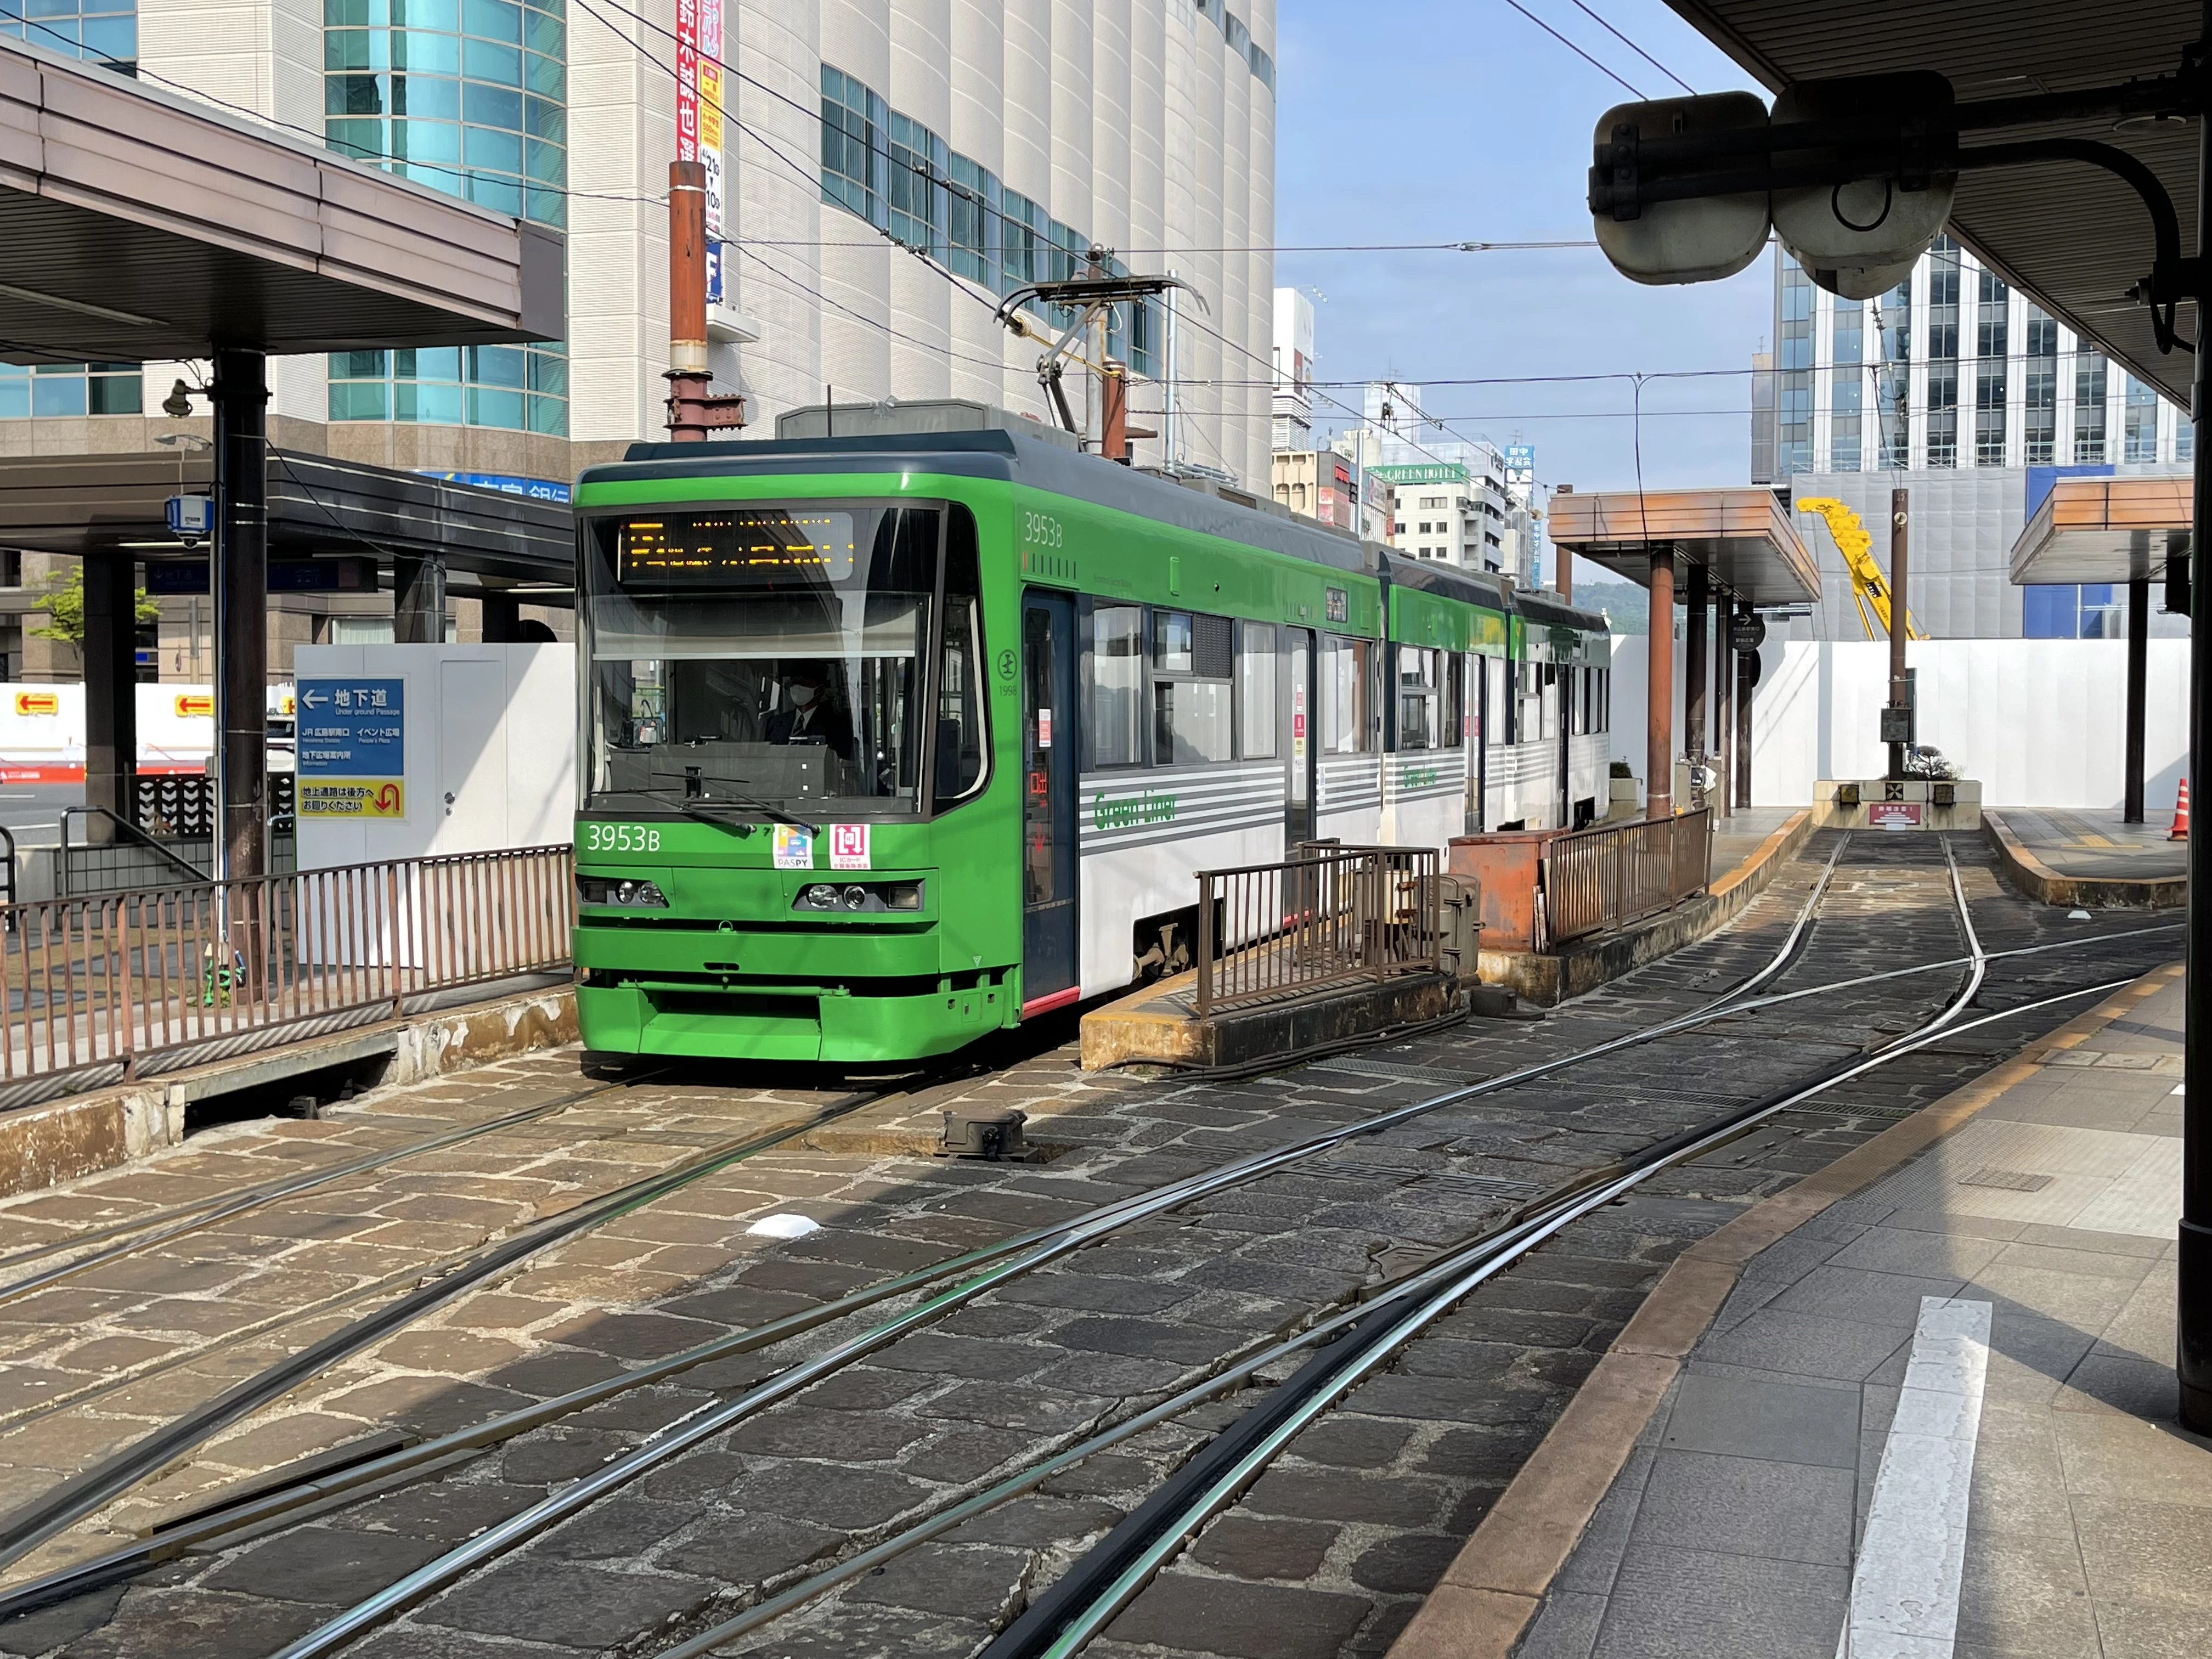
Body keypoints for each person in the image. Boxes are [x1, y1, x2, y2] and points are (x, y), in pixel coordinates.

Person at [764, 661, 853, 758]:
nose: (796, 688)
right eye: (793, 683)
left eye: (803, 683)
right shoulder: (775, 723)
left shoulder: (837, 726)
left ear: (820, 690)